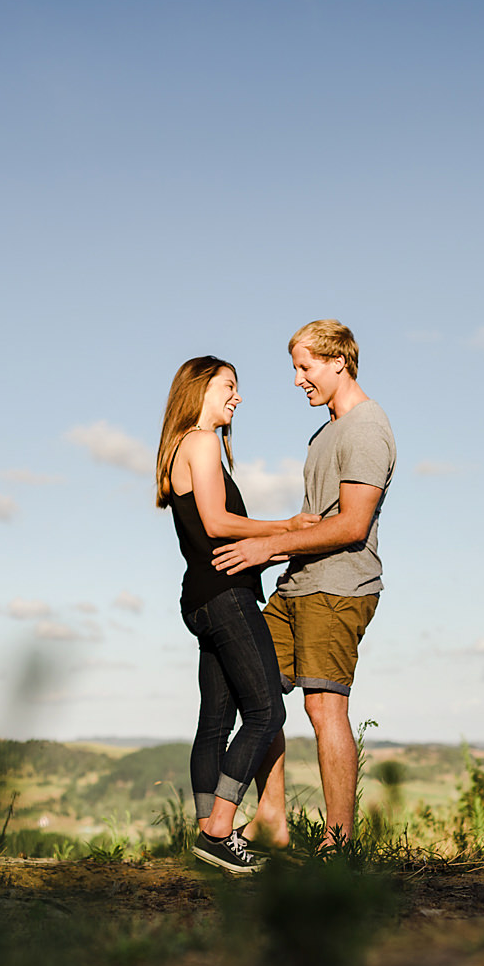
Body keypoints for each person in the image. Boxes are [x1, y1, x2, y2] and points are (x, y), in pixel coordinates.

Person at [212, 320, 396, 847]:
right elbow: (315, 521)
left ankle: (339, 840)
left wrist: (266, 547)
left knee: (322, 705)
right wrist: (271, 547)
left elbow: (352, 524)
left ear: (339, 362)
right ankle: (273, 821)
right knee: (260, 693)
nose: (298, 380)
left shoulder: (366, 427)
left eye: (305, 367)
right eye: (296, 368)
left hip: (339, 588)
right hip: (296, 587)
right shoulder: (324, 433)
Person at [156, 355, 320, 874]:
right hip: (226, 598)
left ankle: (208, 838)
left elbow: (207, 534)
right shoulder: (200, 441)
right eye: (229, 385)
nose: (238, 396)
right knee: (268, 711)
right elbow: (217, 521)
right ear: (199, 389)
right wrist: (289, 528)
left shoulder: (179, 449)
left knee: (215, 722)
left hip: (202, 598)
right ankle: (219, 831)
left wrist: (277, 546)